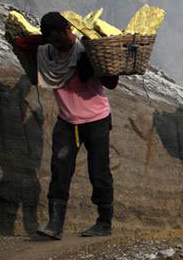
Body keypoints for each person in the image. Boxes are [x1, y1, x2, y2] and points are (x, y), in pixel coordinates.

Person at [18, 12, 119, 239]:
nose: (57, 45)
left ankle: (104, 222)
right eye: (52, 41)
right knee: (60, 170)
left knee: (99, 172)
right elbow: (26, 48)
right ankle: (55, 224)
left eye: (60, 39)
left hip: (97, 120)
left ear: (69, 31)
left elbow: (112, 82)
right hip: (67, 122)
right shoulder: (47, 54)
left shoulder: (88, 51)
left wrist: (94, 65)